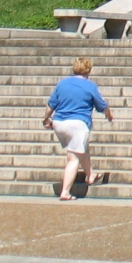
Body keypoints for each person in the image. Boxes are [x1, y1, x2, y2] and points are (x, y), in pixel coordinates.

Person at [44, 56, 113, 201]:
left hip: (59, 123)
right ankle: (65, 191)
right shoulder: (90, 86)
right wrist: (109, 114)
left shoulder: (62, 84)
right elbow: (102, 105)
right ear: (88, 70)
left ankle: (90, 174)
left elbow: (51, 105)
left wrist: (46, 119)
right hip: (77, 124)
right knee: (73, 158)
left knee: (82, 146)